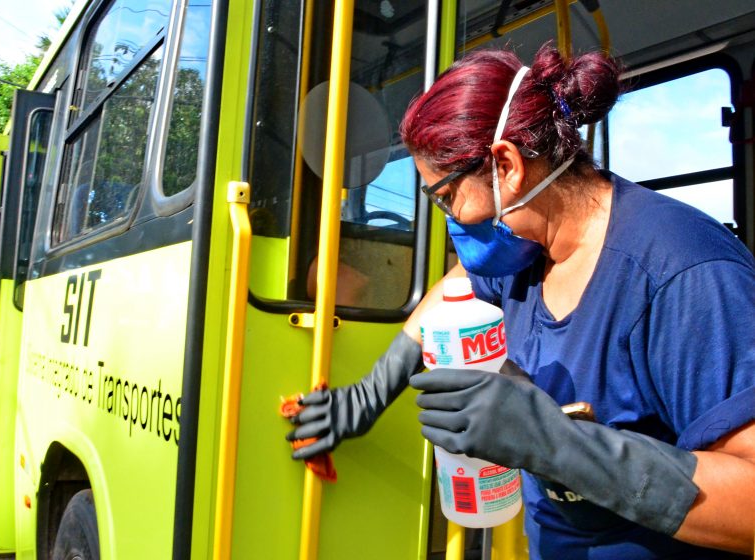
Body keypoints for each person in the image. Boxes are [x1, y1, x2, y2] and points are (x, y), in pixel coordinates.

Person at [285, 44, 755, 558]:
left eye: (445, 197)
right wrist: (372, 392)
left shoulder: (683, 274)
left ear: (505, 164)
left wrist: (560, 445)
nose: (451, 222)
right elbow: (456, 286)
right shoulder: (521, 250)